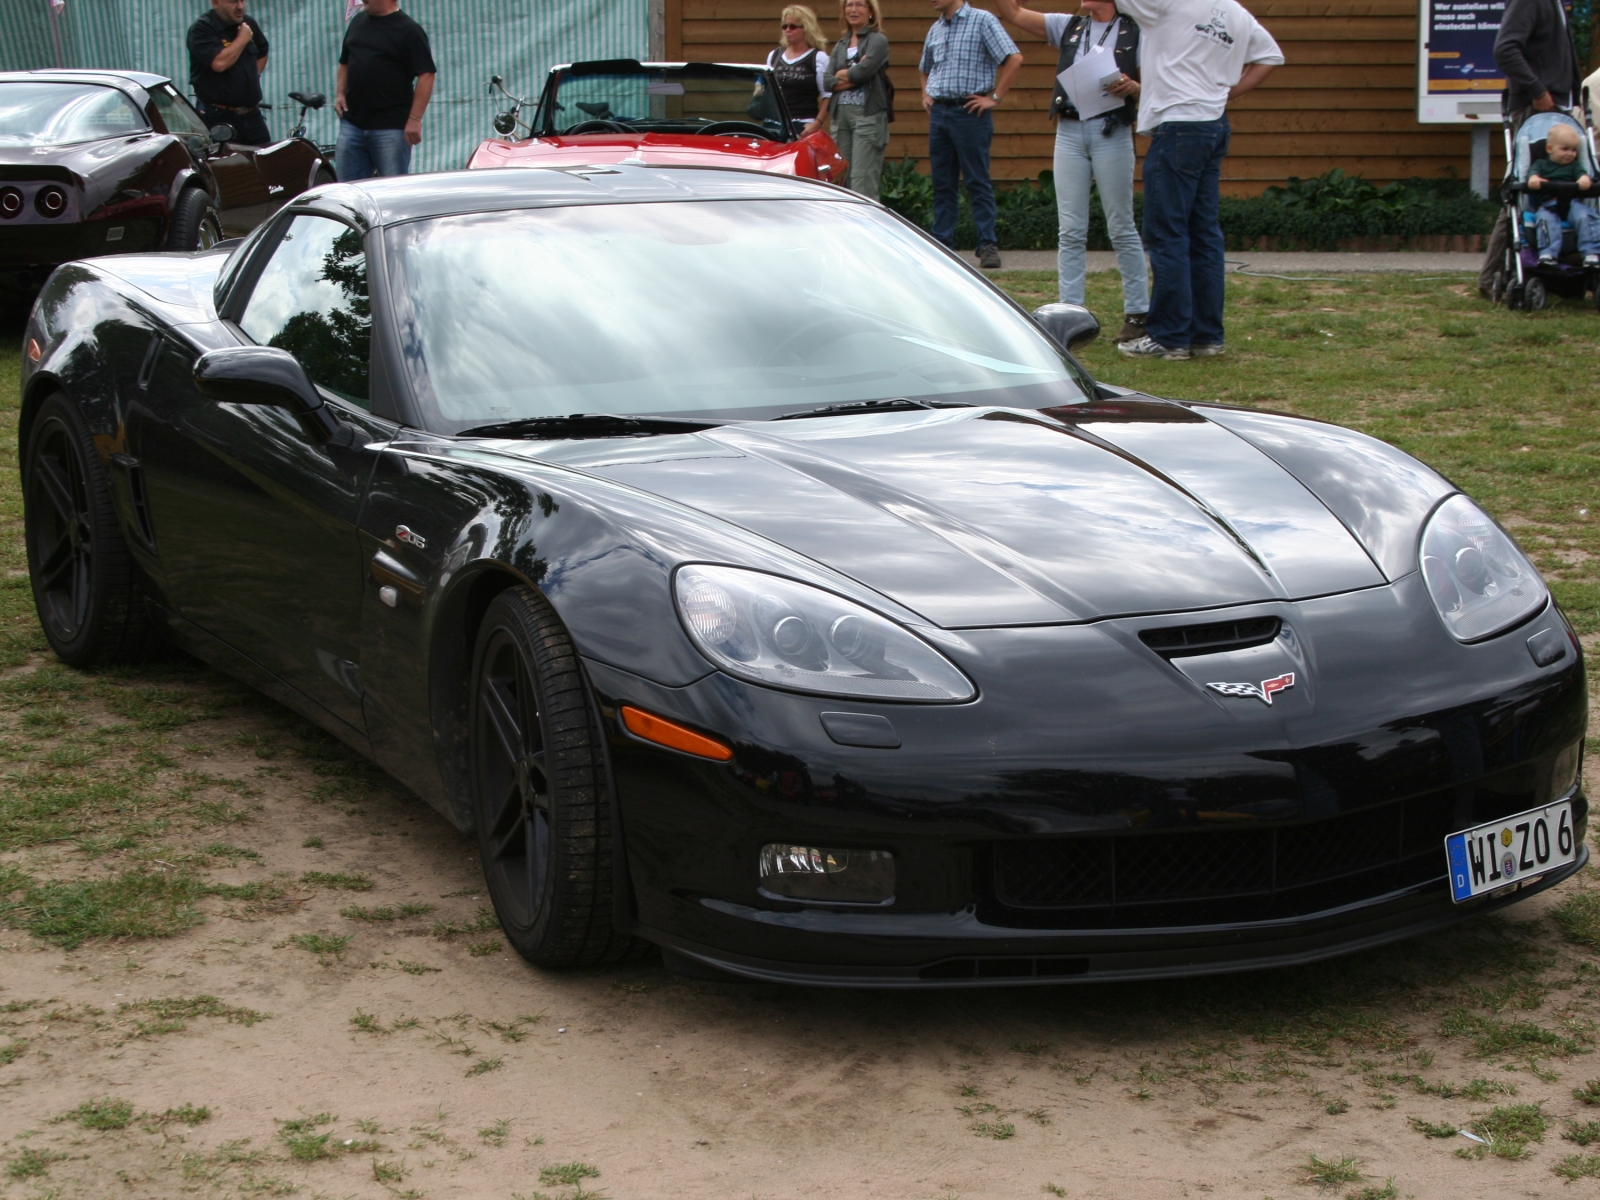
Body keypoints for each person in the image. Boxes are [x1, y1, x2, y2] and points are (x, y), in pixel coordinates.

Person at [1111, 0, 1281, 360]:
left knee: (1167, 232)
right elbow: (1269, 56)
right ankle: (1206, 337)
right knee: (1204, 233)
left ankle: (1170, 337)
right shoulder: (1234, 10)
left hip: (1178, 126)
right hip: (1213, 123)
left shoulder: (1169, 2)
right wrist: (1223, 94)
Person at [994, 0, 1149, 341]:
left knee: (1121, 224)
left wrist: (1133, 88)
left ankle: (1138, 313)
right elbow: (1015, 14)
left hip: (1112, 130)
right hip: (1069, 130)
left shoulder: (1135, 29)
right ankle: (1070, 315)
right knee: (1070, 229)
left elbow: (1152, 83)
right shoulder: (1070, 24)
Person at [1477, 0, 1583, 296]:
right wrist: (1537, 89)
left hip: (1558, 105)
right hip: (1536, 108)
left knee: (1559, 187)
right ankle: (1491, 277)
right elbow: (1505, 49)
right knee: (1521, 190)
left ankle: (1562, 272)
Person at [919, 0, 1023, 269]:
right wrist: (926, 93)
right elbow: (925, 68)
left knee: (977, 180)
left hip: (970, 112)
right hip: (940, 113)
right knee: (943, 183)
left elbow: (1014, 57)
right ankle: (942, 243)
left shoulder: (982, 20)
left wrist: (995, 98)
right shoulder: (936, 28)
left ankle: (987, 244)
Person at [335, 0, 437, 181]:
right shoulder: (358, 22)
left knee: (393, 192)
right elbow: (345, 61)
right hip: (352, 125)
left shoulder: (408, 30)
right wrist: (340, 94)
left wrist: (415, 119)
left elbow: (426, 75)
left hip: (390, 128)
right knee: (347, 192)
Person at [827, 0, 892, 199]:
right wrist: (852, 73)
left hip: (867, 117)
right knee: (841, 180)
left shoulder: (877, 40)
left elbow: (863, 73)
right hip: (840, 118)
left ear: (871, 12)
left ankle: (867, 227)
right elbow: (826, 80)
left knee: (862, 182)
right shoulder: (841, 44)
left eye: (860, 5)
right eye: (849, 4)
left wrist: (842, 75)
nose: (853, 9)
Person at [187, 0, 271, 145]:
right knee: (229, 165)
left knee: (265, 161)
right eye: (233, 1)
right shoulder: (202, 28)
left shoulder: (247, 23)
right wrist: (242, 39)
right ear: (216, 3)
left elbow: (263, 52)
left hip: (252, 115)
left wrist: (252, 76)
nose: (240, 7)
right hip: (219, 117)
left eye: (242, 1)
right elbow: (219, 64)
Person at [1527, 123, 1599, 266]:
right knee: (1545, 220)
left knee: (1586, 216)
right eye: (1565, 149)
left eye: (1573, 150)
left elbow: (1583, 177)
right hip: (1547, 205)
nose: (1570, 153)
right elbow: (1532, 180)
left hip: (1573, 204)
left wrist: (1584, 180)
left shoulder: (1574, 166)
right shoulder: (1540, 164)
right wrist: (1535, 180)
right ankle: (1548, 253)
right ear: (1550, 149)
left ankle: (1591, 252)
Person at [771, 7, 832, 138]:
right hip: (773, 124)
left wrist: (817, 123)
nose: (788, 30)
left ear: (806, 29)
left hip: (802, 125)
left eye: (793, 26)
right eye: (785, 26)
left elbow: (828, 96)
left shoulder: (819, 58)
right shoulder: (774, 56)